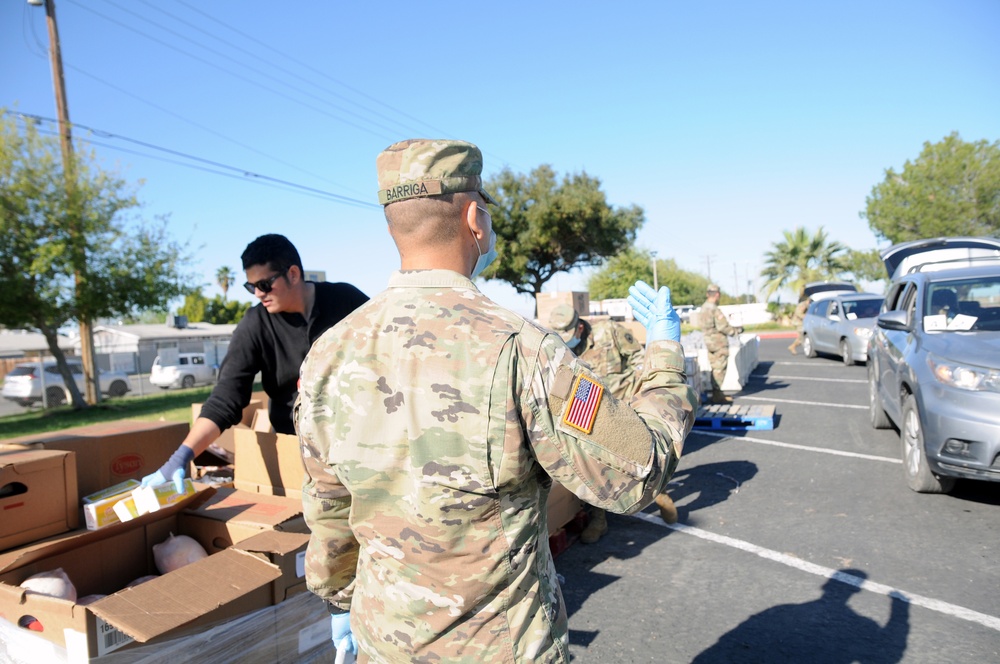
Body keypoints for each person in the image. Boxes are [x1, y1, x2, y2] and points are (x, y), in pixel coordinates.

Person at [294, 138, 699, 663]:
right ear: (474, 219)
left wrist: (341, 602)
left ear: (393, 225)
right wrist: (664, 348)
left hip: (383, 643)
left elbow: (329, 508)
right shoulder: (523, 351)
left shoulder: (328, 354)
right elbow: (638, 469)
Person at [142, 234, 368, 490]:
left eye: (264, 284)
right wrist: (181, 457)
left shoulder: (346, 301)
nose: (258, 294)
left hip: (357, 440)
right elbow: (226, 397)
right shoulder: (255, 325)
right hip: (296, 447)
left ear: (293, 274)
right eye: (251, 287)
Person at [547, 304, 681, 533]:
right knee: (596, 467)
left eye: (571, 335)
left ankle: (660, 493)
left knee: (643, 460)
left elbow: (639, 358)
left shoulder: (608, 331)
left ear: (579, 327)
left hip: (626, 408)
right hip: (595, 413)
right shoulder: (561, 348)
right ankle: (599, 520)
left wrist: (640, 396)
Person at [700, 283, 743, 404]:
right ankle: (717, 395)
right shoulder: (714, 309)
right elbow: (723, 326)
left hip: (709, 342)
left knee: (715, 367)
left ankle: (716, 393)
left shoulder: (703, 308)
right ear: (717, 294)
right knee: (720, 369)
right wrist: (736, 331)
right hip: (718, 343)